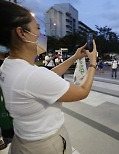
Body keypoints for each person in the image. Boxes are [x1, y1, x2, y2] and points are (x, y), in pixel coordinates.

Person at [0, 1, 97, 154]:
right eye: (37, 28)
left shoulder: (8, 65)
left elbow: (46, 77)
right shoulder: (31, 75)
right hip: (45, 145)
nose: (40, 34)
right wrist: (93, 62)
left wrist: (74, 57)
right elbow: (83, 91)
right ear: (21, 32)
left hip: (23, 140)